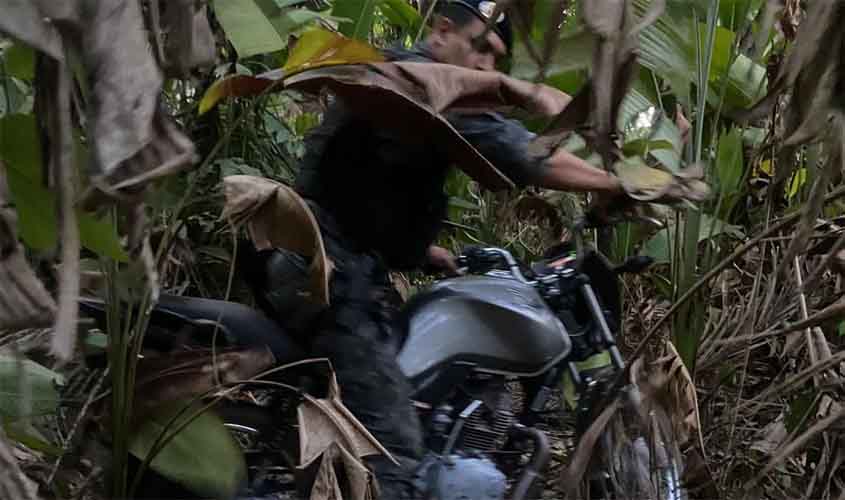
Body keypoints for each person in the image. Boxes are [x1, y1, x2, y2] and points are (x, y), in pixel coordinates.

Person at [245, 1, 630, 498]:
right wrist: (615, 184)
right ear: (443, 29)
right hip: (332, 275)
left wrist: (427, 253)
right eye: (481, 48)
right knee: (392, 452)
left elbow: (367, 186)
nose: (486, 69)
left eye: (497, 59)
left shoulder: (405, 86)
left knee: (411, 385)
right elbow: (521, 154)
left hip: (340, 261)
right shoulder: (420, 82)